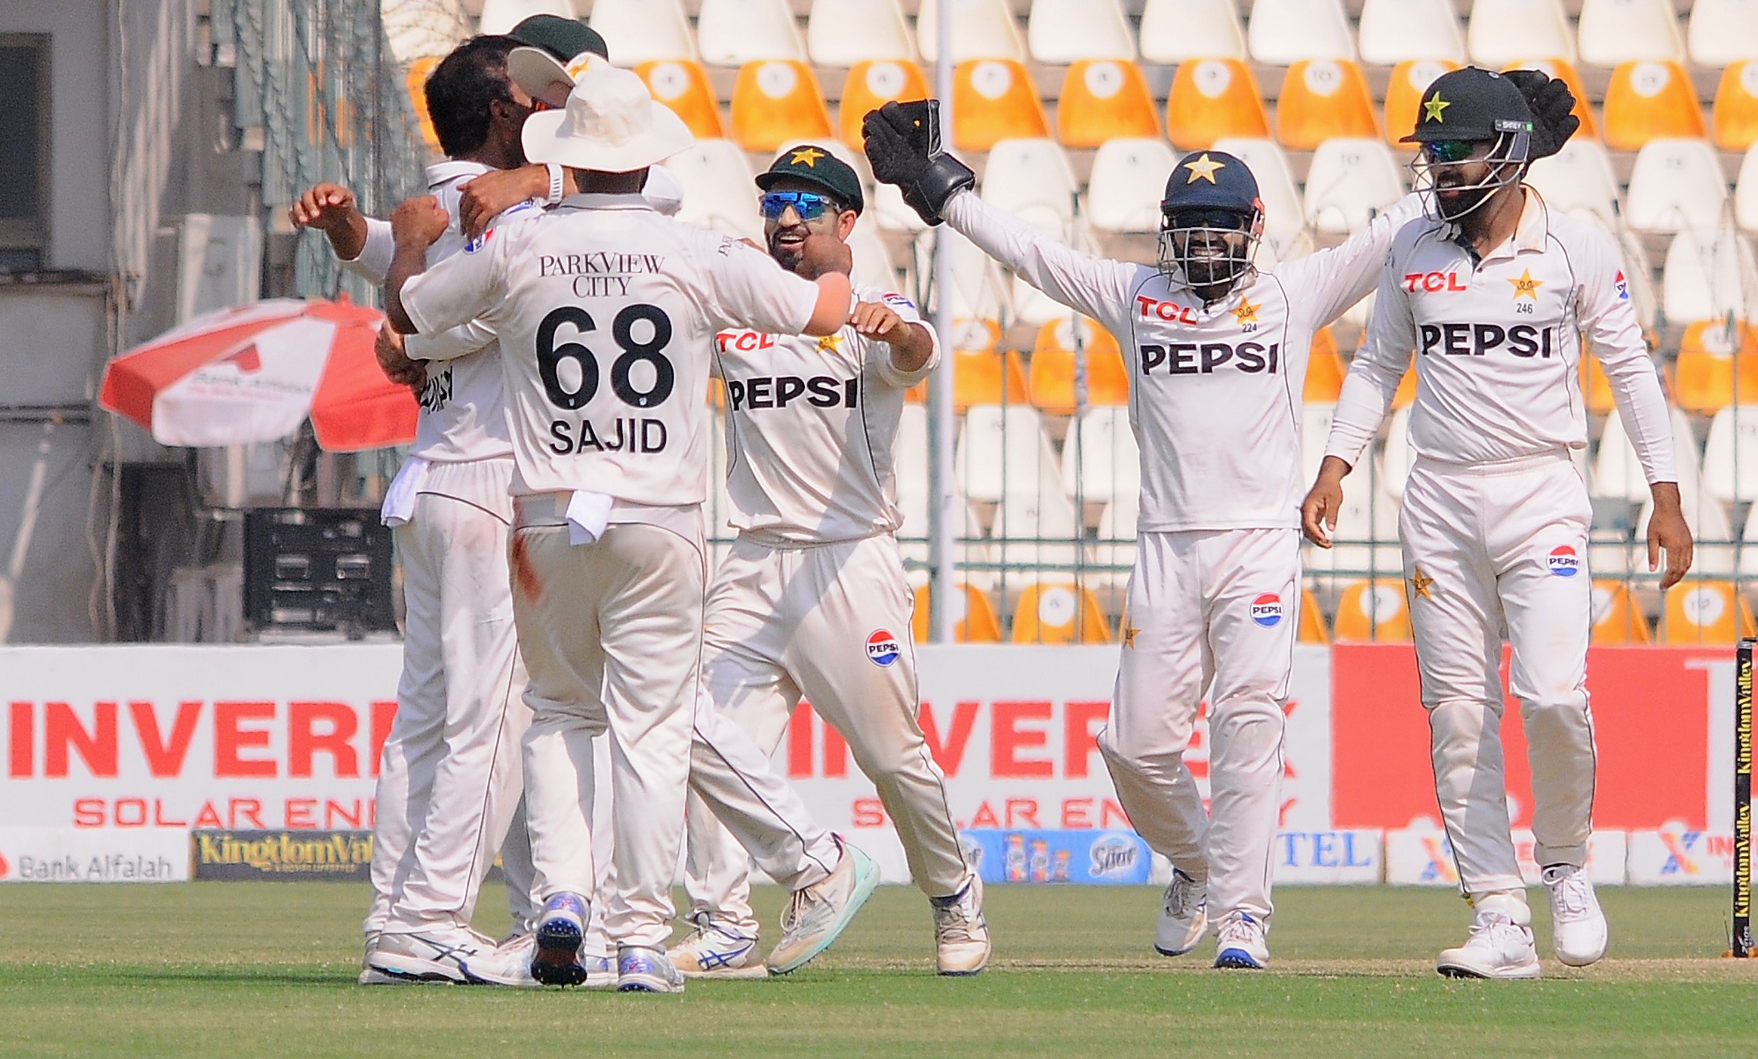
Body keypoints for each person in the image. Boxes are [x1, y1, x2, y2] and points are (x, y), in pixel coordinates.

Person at [864, 81, 1578, 967]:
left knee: (1249, 724)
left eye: (1219, 226)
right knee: (1132, 748)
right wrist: (944, 191)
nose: (1204, 245)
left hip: (1258, 546)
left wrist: (1521, 151)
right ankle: (1200, 865)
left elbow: (1394, 225)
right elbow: (1034, 256)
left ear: (1252, 228)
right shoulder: (1133, 295)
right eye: (1189, 227)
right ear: (1169, 232)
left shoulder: (1288, 297)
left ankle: (1245, 915)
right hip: (1166, 547)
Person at [390, 66, 865, 992]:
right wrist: (839, 249)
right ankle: (641, 938)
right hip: (659, 516)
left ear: (562, 157)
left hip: (543, 514)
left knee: (560, 712)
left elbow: (409, 319)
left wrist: (409, 246)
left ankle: (562, 904)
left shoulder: (520, 244)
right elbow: (827, 313)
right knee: (652, 729)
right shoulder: (691, 248)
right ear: (648, 158)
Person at [1301, 68, 1693, 981]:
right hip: (1437, 499)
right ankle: (1498, 910)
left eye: (1454, 151)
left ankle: (1564, 866)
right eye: (1429, 153)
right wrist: (1335, 465)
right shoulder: (1411, 247)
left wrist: (1665, 494)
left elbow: (1631, 370)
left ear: (1509, 152)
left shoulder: (1576, 248)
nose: (1438, 169)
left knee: (1554, 696)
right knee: (1459, 717)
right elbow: (1378, 363)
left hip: (1541, 493)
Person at [672, 143, 990, 979]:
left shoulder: (872, 310)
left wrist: (903, 335)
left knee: (892, 755)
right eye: (775, 202)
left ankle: (953, 894)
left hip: (850, 564)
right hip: (752, 559)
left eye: (806, 206)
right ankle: (723, 921)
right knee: (701, 733)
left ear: (847, 222)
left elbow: (914, 353)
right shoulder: (739, 313)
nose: (784, 219)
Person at [290, 34, 540, 984]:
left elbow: (393, 266)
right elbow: (649, 197)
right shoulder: (519, 210)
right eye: (532, 92)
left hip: (430, 484)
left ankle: (394, 920)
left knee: (426, 723)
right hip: (490, 483)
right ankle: (431, 920)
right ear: (503, 111)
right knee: (491, 719)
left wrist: (354, 235)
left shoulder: (435, 208)